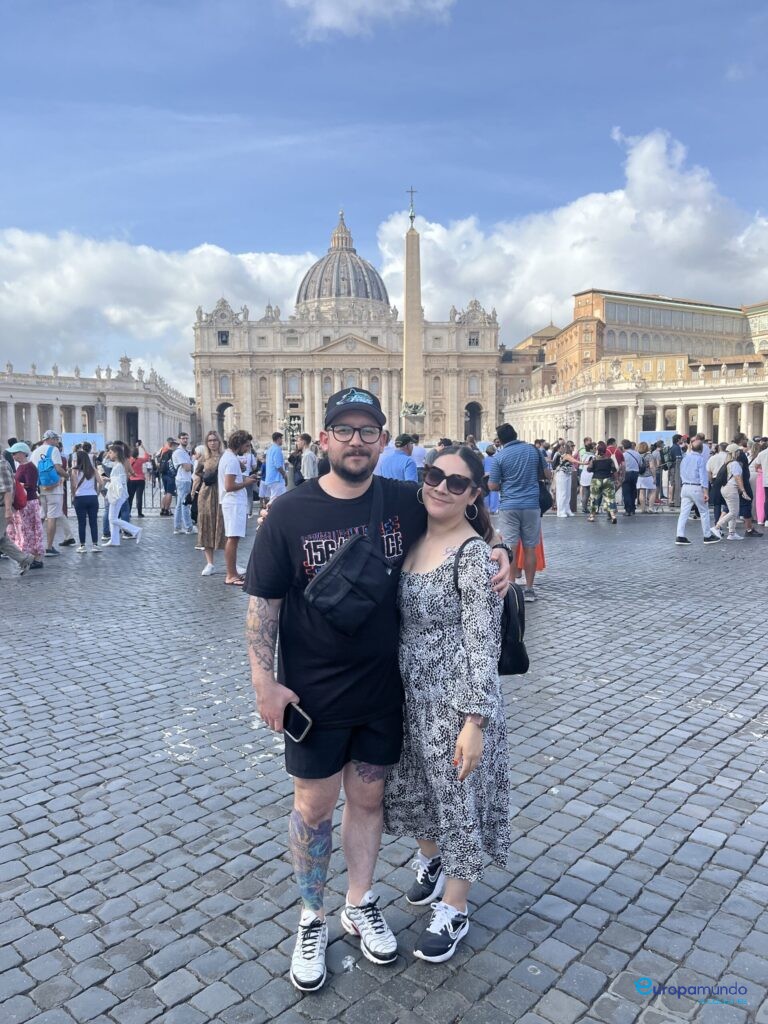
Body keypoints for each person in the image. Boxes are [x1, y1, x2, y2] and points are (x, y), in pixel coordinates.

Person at [243, 388, 510, 993]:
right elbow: (263, 603)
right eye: (345, 429)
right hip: (312, 695)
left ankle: (358, 902)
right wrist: (264, 680)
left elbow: (463, 522)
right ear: (324, 437)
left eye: (368, 431)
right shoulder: (288, 512)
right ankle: (311, 917)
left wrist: (499, 549)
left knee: (368, 802)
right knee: (312, 808)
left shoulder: (402, 500)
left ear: (383, 441)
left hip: (384, 690)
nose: (357, 440)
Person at [384, 446, 509, 962]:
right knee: (417, 789)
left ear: (474, 495)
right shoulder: (412, 535)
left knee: (457, 799)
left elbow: (484, 641)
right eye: (435, 475)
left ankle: (456, 905)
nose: (441, 487)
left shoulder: (473, 554)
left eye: (457, 484)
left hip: (453, 699)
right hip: (408, 692)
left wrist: (474, 720)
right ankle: (433, 862)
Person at [488, 423, 550, 602]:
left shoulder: (500, 456)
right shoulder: (533, 451)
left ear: (500, 440)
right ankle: (529, 588)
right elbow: (547, 474)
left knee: (510, 548)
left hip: (509, 506)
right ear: (516, 434)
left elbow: (493, 485)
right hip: (531, 504)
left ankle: (512, 587)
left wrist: (506, 484)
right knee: (530, 547)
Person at [219, 429, 257, 586]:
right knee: (233, 538)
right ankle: (231, 574)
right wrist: (246, 483)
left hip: (232, 502)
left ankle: (232, 572)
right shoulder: (232, 460)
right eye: (246, 445)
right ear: (239, 444)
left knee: (233, 538)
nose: (248, 449)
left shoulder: (229, 458)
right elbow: (229, 486)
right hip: (233, 502)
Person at [30, 430, 74, 555]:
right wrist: (67, 475)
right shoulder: (53, 450)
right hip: (54, 488)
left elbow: (33, 470)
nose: (57, 442)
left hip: (42, 487)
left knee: (42, 515)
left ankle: (33, 543)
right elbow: (57, 468)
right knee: (52, 517)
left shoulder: (35, 451)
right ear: (50, 439)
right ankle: (49, 547)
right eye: (56, 439)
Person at [191, 430, 227, 576]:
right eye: (209, 440)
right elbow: (197, 473)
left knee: (224, 526)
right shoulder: (203, 458)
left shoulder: (226, 456)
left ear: (219, 441)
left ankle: (231, 562)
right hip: (206, 494)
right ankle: (210, 563)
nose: (212, 443)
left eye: (215, 440)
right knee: (206, 525)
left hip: (222, 493)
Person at [674, 438, 720, 546]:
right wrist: (705, 492)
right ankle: (707, 536)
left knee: (684, 513)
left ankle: (680, 535)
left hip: (685, 486)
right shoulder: (700, 460)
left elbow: (681, 472)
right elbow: (703, 477)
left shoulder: (685, 458)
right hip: (696, 487)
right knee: (704, 512)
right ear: (701, 449)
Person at [7, 442, 45, 568]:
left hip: (29, 502)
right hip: (24, 502)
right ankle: (29, 556)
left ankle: (34, 557)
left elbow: (31, 485)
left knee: (29, 530)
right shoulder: (21, 466)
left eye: (15, 453)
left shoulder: (29, 467)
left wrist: (17, 485)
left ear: (22, 453)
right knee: (25, 530)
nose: (13, 456)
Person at [103, 444, 143, 547]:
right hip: (117, 493)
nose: (109, 454)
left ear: (116, 453)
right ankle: (114, 540)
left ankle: (135, 530)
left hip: (117, 494)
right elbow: (105, 463)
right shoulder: (117, 463)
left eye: (111, 452)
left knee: (112, 519)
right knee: (113, 518)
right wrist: (107, 455)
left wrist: (107, 479)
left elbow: (120, 481)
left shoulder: (119, 465)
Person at [0, 455, 33, 575]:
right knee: (2, 540)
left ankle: (24, 559)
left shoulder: (2, 464)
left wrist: (8, 509)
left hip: (2, 507)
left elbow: (7, 489)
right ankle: (24, 559)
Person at [70, 448, 103, 552]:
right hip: (92, 497)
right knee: (93, 522)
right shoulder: (93, 469)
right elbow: (101, 483)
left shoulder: (75, 471)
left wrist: (73, 495)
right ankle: (95, 545)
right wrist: (97, 493)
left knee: (81, 522)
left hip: (80, 498)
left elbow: (74, 485)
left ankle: (82, 546)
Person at [714, 444, 749, 541]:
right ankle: (717, 527)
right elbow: (738, 478)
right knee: (734, 512)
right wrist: (743, 491)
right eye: (738, 451)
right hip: (731, 489)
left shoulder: (727, 463)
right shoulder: (735, 464)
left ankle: (732, 533)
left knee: (732, 510)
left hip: (725, 488)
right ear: (736, 452)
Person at [586, 442, 619, 523]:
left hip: (596, 480)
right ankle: (613, 516)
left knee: (594, 498)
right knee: (610, 498)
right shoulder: (609, 459)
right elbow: (614, 470)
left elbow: (589, 469)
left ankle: (592, 516)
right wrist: (616, 480)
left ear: (597, 450)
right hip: (607, 479)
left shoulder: (594, 459)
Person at [172, 432, 195, 534]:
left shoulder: (185, 452)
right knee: (185, 503)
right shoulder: (179, 452)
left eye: (186, 438)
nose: (185, 440)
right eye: (183, 438)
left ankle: (177, 527)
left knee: (180, 504)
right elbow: (187, 468)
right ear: (179, 440)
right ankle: (188, 526)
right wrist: (194, 463)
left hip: (184, 479)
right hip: (183, 480)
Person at [552, 441, 578, 517]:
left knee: (567, 493)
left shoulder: (569, 454)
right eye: (572, 446)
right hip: (562, 473)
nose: (573, 448)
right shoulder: (563, 455)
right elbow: (574, 461)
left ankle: (567, 509)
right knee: (562, 493)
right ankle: (560, 511)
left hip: (568, 473)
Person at [620, 440, 642, 516]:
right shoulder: (637, 454)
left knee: (626, 492)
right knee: (633, 491)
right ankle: (633, 508)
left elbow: (621, 465)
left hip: (627, 473)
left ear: (623, 446)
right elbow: (640, 464)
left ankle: (628, 509)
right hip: (635, 473)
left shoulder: (623, 455)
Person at [127, 444, 150, 517]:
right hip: (140, 479)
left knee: (130, 497)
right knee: (139, 497)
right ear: (137, 454)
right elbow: (147, 457)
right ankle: (139, 513)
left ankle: (129, 512)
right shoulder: (140, 460)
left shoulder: (128, 460)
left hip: (131, 479)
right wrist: (143, 447)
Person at [263, 431, 287, 500]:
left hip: (271, 478)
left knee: (275, 498)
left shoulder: (270, 449)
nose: (282, 441)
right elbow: (278, 465)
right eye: (281, 439)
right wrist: (284, 474)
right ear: (278, 439)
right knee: (278, 499)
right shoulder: (277, 449)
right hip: (277, 478)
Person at [157, 438, 177, 516]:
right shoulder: (172, 453)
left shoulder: (164, 452)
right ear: (173, 445)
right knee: (170, 493)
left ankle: (162, 509)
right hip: (170, 475)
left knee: (166, 493)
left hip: (164, 474)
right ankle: (166, 509)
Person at [635, 442, 657, 512]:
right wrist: (654, 476)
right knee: (653, 491)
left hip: (640, 476)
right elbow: (652, 467)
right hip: (648, 476)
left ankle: (643, 508)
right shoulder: (649, 455)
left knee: (642, 492)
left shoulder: (637, 455)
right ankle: (650, 507)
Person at [578, 442, 594, 513]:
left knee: (586, 493)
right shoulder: (592, 456)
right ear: (591, 449)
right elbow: (592, 466)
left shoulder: (583, 455)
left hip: (584, 474)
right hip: (590, 475)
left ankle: (584, 507)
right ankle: (593, 508)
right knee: (592, 493)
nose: (595, 449)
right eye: (594, 448)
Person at [483, 445, 499, 514]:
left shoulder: (484, 460)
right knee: (494, 493)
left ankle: (486, 508)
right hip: (494, 477)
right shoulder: (496, 459)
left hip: (485, 477)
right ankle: (493, 509)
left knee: (486, 493)